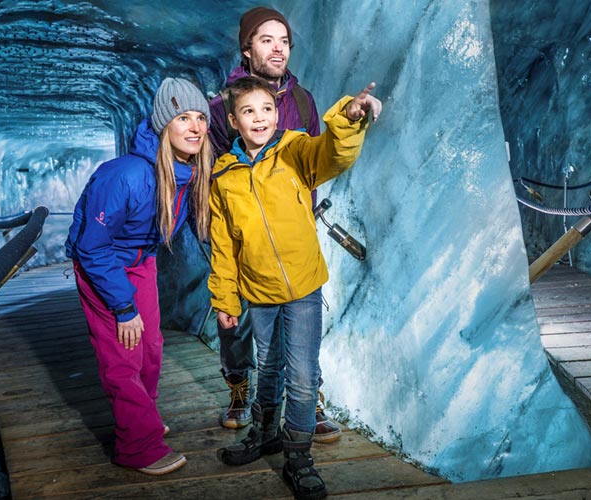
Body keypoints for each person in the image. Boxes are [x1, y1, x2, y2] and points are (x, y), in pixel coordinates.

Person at [210, 76, 380, 500]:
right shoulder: (224, 176)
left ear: (277, 112)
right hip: (260, 292)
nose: (259, 118)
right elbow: (224, 245)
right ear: (233, 120)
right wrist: (226, 298)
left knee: (302, 378)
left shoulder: (295, 149)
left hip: (302, 288)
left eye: (266, 108)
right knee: (267, 367)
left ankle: (299, 455)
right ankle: (265, 434)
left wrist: (348, 119)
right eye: (248, 111)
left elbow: (332, 155)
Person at [65, 77, 212, 476]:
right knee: (122, 355)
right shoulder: (127, 174)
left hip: (141, 260)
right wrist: (123, 306)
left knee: (150, 346)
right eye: (184, 117)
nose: (196, 127)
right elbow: (92, 247)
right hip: (102, 263)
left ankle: (141, 417)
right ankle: (137, 446)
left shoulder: (187, 173)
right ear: (165, 124)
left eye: (201, 117)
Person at [207, 5, 339, 444]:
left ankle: (306, 400)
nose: (278, 48)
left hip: (290, 233)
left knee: (300, 325)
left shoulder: (302, 101)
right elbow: (215, 171)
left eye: (284, 40)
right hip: (242, 233)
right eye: (267, 40)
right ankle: (241, 389)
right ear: (247, 49)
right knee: (240, 324)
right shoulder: (220, 106)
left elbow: (315, 162)